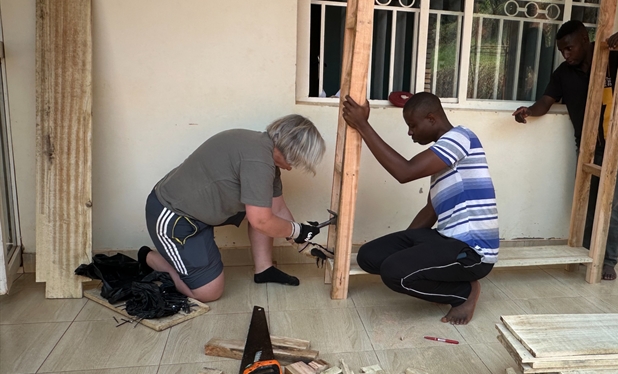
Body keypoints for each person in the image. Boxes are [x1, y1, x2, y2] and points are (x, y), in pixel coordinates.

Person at [512, 20, 618, 281]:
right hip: (586, 148)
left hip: (617, 146)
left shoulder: (613, 60)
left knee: (615, 206)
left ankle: (609, 260)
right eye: (562, 51)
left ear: (584, 40)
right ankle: (587, 252)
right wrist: (529, 112)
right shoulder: (563, 74)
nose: (565, 55)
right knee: (588, 203)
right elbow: (545, 102)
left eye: (569, 48)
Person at [342, 92, 499, 325]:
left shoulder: (460, 138)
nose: (410, 132)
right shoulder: (443, 158)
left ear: (432, 119)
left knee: (394, 272)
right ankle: (441, 280)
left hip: (473, 251)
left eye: (413, 125)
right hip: (447, 239)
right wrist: (406, 249)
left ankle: (464, 292)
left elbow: (405, 172)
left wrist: (363, 125)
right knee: (369, 257)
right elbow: (430, 210)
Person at [139, 115, 326, 302]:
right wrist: (298, 230)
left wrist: (303, 243)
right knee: (208, 292)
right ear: (291, 149)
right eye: (296, 161)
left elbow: (277, 209)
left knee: (263, 209)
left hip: (201, 213)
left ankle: (264, 269)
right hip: (174, 216)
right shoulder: (258, 161)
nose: (293, 167)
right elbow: (261, 220)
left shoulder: (265, 154)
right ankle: (153, 259)